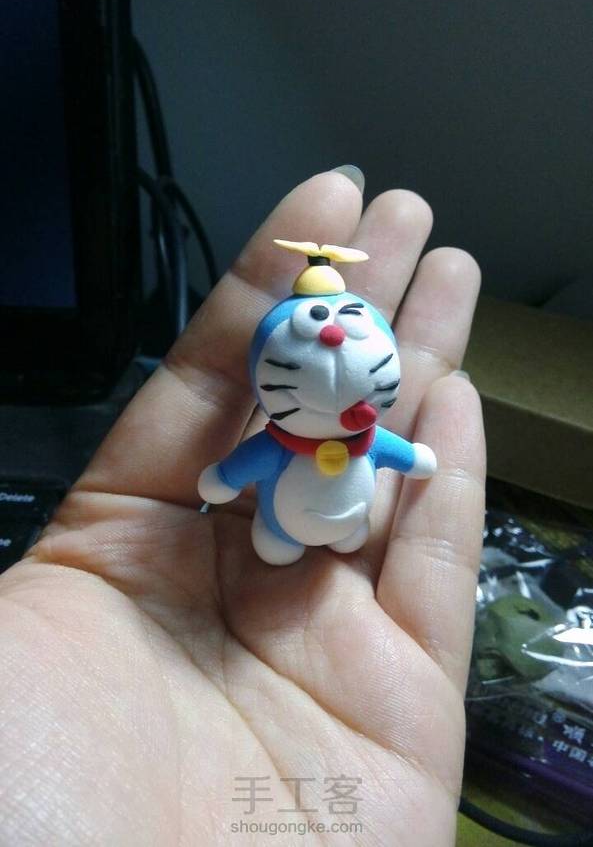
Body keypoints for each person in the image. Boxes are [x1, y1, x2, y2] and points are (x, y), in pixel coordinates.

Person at [0, 170, 485, 846]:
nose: (334, 346)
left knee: (348, 529)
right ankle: (290, 539)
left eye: (349, 333)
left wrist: (416, 458)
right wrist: (223, 479)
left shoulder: (366, 439)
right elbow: (241, 465)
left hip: (348, 522)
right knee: (276, 536)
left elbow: (393, 451)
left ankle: (340, 534)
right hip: (279, 524)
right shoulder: (280, 442)